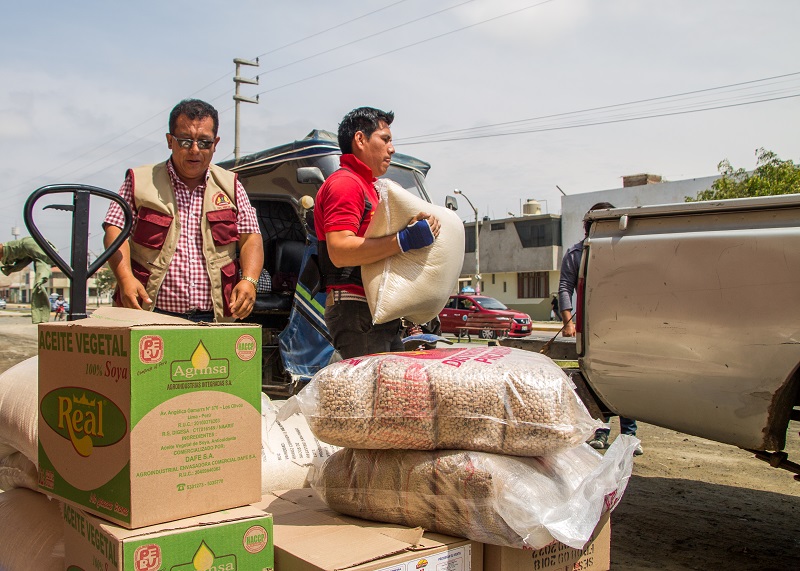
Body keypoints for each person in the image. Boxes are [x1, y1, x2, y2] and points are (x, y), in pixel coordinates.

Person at [103, 99, 264, 322]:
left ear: (215, 143)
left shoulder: (231, 186)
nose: (195, 150)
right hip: (149, 314)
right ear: (170, 141)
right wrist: (125, 278)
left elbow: (251, 239)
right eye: (186, 141)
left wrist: (249, 280)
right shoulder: (139, 181)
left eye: (204, 142)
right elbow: (114, 230)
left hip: (215, 318)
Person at [314, 106, 440, 359]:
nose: (391, 149)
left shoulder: (369, 187)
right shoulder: (346, 184)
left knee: (383, 395)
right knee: (370, 396)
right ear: (360, 139)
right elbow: (339, 250)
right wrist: (404, 240)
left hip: (374, 310)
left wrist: (410, 228)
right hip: (357, 309)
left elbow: (373, 236)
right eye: (385, 139)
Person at [558, 201, 643, 455]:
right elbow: (565, 288)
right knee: (596, 379)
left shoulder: (625, 252)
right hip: (592, 330)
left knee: (625, 378)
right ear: (588, 227)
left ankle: (630, 434)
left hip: (623, 327)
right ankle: (601, 431)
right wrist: (568, 322)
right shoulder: (576, 255)